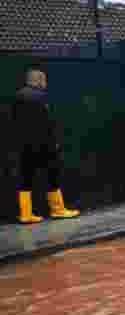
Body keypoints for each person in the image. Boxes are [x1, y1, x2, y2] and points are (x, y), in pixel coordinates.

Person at [11, 67, 80, 224]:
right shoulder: (41, 97)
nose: (45, 82)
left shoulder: (18, 96)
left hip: (24, 144)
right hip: (43, 143)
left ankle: (26, 214)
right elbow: (47, 122)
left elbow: (14, 121)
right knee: (52, 175)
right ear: (40, 80)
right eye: (44, 79)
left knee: (25, 177)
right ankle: (57, 209)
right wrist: (53, 141)